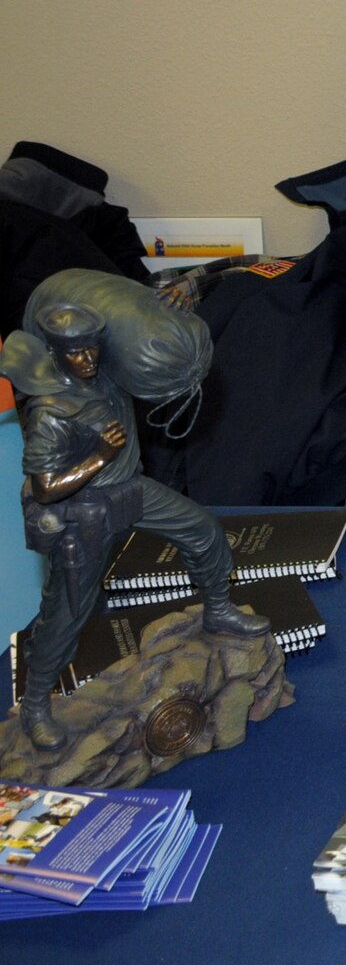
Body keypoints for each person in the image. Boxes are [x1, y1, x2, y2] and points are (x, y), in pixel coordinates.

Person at [2, 280, 270, 751]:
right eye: (76, 354)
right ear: (55, 353)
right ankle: (37, 705)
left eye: (91, 350)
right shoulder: (52, 410)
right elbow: (45, 489)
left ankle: (219, 609)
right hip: (85, 512)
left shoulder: (101, 372)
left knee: (203, 531)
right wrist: (99, 457)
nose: (87, 361)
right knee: (66, 615)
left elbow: (140, 341)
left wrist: (174, 305)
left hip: (132, 490)